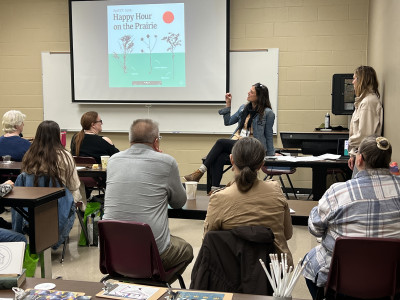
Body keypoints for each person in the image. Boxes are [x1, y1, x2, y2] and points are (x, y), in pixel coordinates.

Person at [302, 136, 400, 299]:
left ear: (359, 159)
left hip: (341, 282)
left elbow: (315, 229)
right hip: (393, 281)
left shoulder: (338, 192)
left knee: (309, 262)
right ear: (388, 161)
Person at [103, 119, 193, 282]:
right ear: (156, 141)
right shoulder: (166, 161)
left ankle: (136, 285)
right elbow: (179, 202)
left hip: (112, 253)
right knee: (186, 249)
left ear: (130, 140)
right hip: (151, 255)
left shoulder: (113, 160)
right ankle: (155, 287)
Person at [203, 137, 293, 266]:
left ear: (231, 159)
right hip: (273, 274)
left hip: (231, 272)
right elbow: (287, 234)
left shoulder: (219, 198)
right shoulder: (275, 190)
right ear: (262, 164)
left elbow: (207, 242)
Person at [183, 83, 275, 193]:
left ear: (259, 96)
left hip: (251, 146)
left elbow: (269, 135)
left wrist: (271, 155)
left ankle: (199, 172)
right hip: (237, 142)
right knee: (219, 156)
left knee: (220, 142)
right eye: (249, 91)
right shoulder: (243, 108)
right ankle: (214, 190)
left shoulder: (267, 113)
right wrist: (228, 105)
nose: (248, 93)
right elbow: (228, 122)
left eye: (251, 92)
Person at [12, 120, 82, 249]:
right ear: (57, 136)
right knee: (76, 194)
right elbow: (73, 185)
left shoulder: (29, 155)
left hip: (31, 206)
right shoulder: (65, 155)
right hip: (58, 205)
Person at [348, 66, 383, 176]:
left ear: (362, 80)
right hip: (360, 156)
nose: (353, 82)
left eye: (355, 78)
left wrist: (349, 143)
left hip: (366, 159)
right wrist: (353, 154)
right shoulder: (363, 102)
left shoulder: (368, 102)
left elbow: (365, 136)